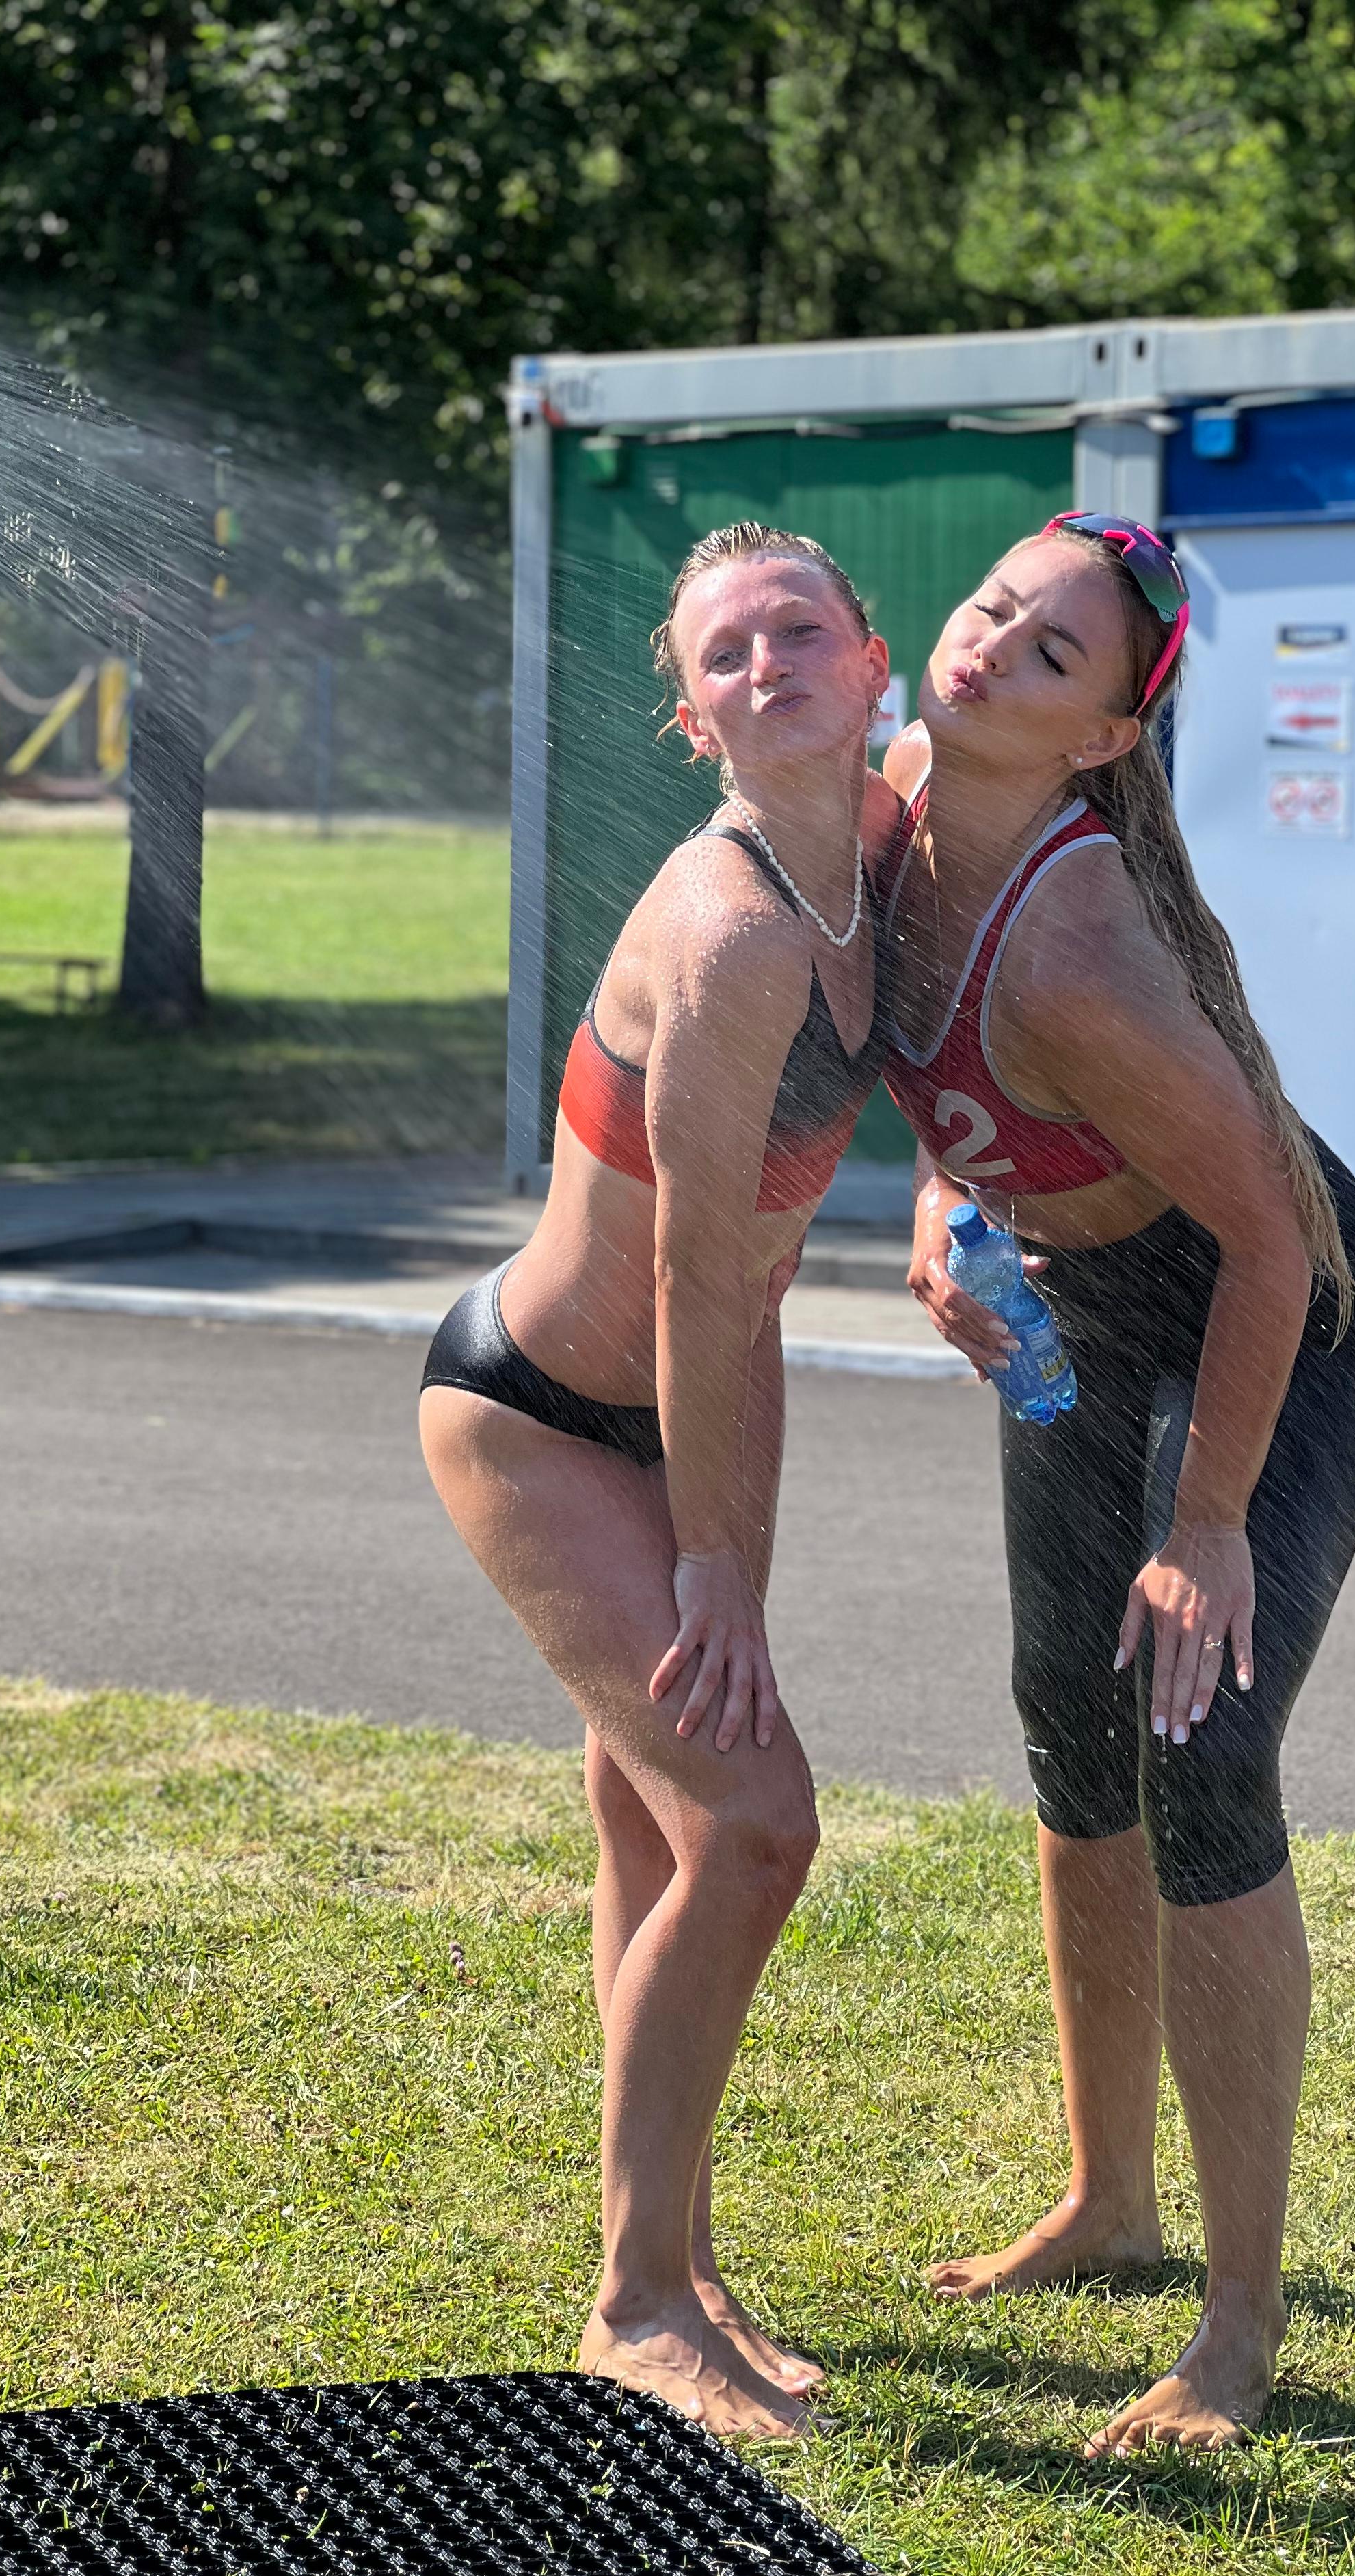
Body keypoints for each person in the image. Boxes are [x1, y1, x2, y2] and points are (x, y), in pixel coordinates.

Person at [881, 514, 1355, 2456]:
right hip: (1083, 1302)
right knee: (1070, 1730)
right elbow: (930, 1071)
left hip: (1277, 1305)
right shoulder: (895, 813)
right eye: (997, 605)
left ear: (1103, 739)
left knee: (1200, 1752)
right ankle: (1109, 2202)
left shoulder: (1081, 946)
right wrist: (947, 1209)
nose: (997, 643)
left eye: (1054, 654)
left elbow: (1269, 1236)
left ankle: (1238, 2325)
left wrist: (1207, 1528)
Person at [420, 522, 894, 2439]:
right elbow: (703, 1280)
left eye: (801, 627)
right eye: (726, 653)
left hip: (682, 1408)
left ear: (870, 660)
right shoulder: (733, 932)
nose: (768, 662)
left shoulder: (880, 854)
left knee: (666, 1829)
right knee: (756, 1824)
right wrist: (715, 1566)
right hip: (540, 1416)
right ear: (693, 718)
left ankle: (676, 2263)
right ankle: (633, 2304)